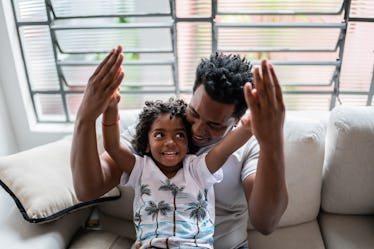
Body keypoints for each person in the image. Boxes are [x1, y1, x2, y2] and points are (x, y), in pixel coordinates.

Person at [71, 45, 288, 249]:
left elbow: (266, 223)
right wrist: (85, 118)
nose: (198, 130)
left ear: (238, 120)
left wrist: (273, 143)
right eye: (194, 113)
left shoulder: (251, 143)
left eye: (214, 125)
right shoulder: (162, 126)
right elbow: (88, 188)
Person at [102, 96, 252, 248]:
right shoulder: (140, 168)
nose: (170, 142)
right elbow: (112, 147)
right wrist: (110, 110)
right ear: (147, 144)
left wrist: (249, 126)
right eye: (160, 135)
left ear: (188, 144)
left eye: (179, 135)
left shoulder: (196, 169)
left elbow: (223, 150)